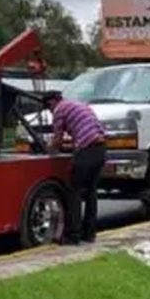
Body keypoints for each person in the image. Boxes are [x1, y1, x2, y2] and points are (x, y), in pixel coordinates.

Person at [43, 92, 106, 245]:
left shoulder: (59, 110)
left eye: (49, 108)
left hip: (87, 149)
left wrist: (48, 150)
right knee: (91, 192)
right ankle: (89, 234)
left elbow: (57, 139)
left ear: (53, 102)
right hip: (101, 148)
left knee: (73, 190)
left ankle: (73, 235)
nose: (51, 112)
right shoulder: (78, 105)